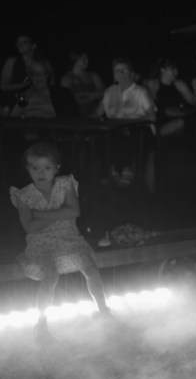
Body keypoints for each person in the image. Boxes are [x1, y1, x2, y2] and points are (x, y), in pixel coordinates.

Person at [9, 141, 113, 344]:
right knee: (50, 276)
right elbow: (29, 227)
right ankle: (41, 324)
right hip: (42, 241)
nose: (41, 173)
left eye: (47, 168)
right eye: (36, 168)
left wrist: (39, 214)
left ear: (56, 168)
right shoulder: (23, 195)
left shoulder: (65, 184)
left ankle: (103, 310)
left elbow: (74, 211)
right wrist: (59, 214)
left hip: (69, 237)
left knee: (91, 269)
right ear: (28, 169)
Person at [93, 57, 156, 187]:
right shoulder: (109, 91)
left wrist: (130, 122)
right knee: (100, 138)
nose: (121, 73)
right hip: (113, 130)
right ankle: (111, 172)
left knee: (124, 135)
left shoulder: (140, 92)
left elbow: (152, 116)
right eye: (117, 70)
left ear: (130, 73)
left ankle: (126, 171)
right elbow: (98, 112)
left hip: (138, 130)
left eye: (124, 70)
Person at [147, 58, 196, 136]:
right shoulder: (153, 83)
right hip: (161, 119)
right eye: (172, 69)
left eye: (176, 69)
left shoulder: (179, 84)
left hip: (179, 115)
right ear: (163, 70)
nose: (176, 72)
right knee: (180, 121)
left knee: (191, 119)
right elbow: (152, 106)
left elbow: (193, 102)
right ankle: (155, 135)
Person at [2, 34, 53, 110]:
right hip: (18, 100)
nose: (20, 45)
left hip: (41, 100)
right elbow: (3, 87)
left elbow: (52, 85)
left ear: (33, 45)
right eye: (18, 43)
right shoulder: (12, 62)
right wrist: (23, 85)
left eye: (24, 42)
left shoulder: (44, 63)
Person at [10, 63, 79, 119]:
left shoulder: (63, 94)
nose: (39, 78)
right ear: (30, 76)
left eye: (42, 74)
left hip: (54, 133)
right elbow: (12, 120)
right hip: (30, 133)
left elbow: (74, 119)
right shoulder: (23, 95)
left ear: (47, 76)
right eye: (35, 74)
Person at [60, 50, 106, 116]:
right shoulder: (67, 78)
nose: (86, 61)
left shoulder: (93, 75)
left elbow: (103, 93)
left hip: (95, 112)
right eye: (82, 59)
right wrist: (93, 95)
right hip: (75, 114)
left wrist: (85, 95)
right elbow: (69, 99)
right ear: (75, 60)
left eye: (87, 58)